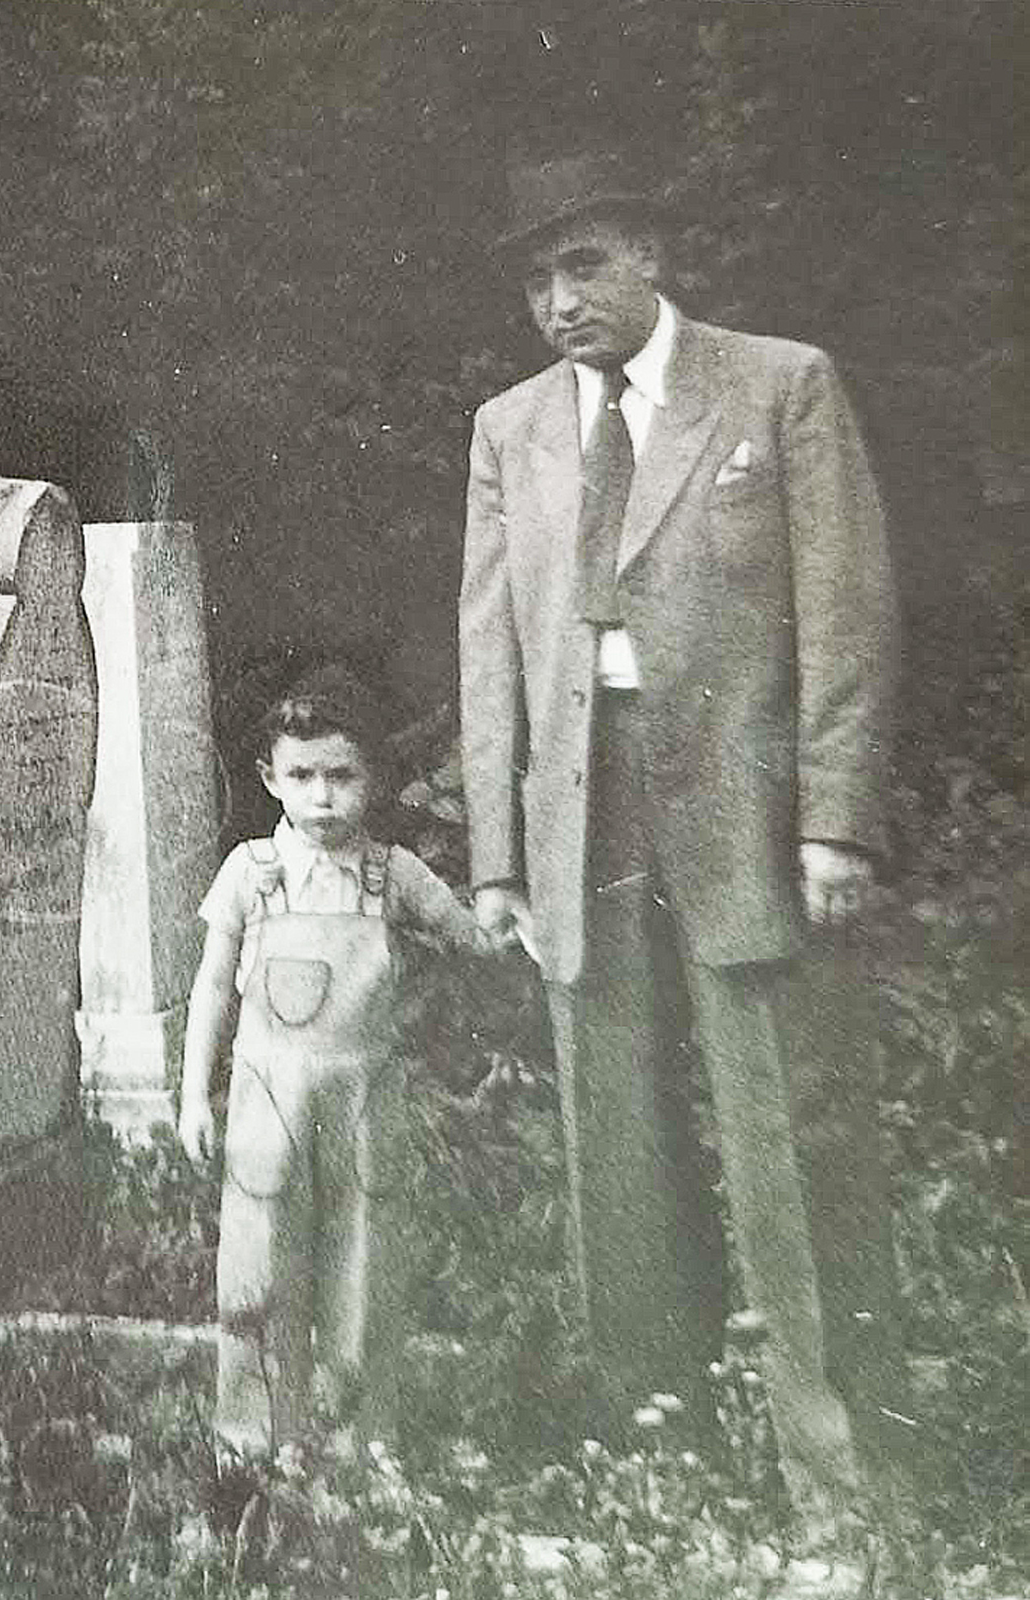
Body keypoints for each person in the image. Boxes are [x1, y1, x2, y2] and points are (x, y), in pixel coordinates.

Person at [458, 152, 917, 1521]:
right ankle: (658, 1461)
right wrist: (494, 857)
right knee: (617, 1143)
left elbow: (846, 613)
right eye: (536, 278)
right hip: (578, 815)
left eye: (583, 264)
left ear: (650, 254)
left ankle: (846, 1481)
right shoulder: (510, 430)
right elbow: (490, 647)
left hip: (743, 810)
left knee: (788, 1135)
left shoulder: (778, 385)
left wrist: (835, 820)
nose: (558, 301)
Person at [178, 666, 488, 1456]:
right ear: (269, 778)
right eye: (302, 776)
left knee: (363, 1264)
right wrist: (190, 1098)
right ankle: (253, 1442)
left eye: (341, 776)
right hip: (264, 1105)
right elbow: (213, 987)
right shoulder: (251, 874)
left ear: (373, 778)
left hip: (361, 1103)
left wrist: (510, 913)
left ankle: (361, 1441)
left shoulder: (394, 876)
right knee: (258, 1272)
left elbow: (471, 936)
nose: (322, 798)